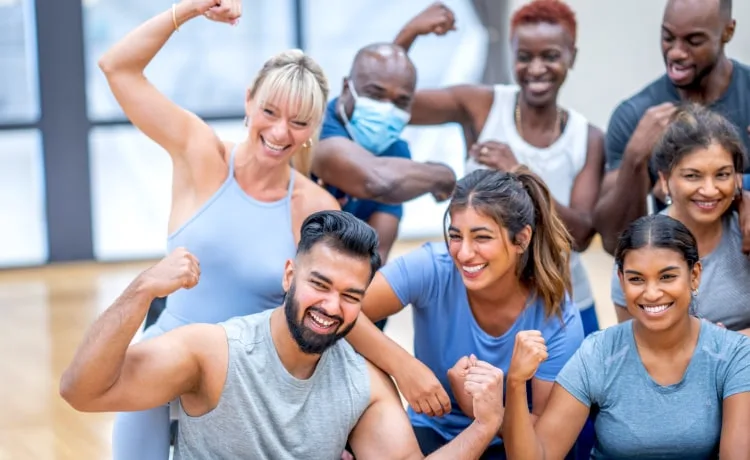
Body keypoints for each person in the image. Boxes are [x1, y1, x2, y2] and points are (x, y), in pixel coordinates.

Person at [60, 211, 507, 460]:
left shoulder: (363, 382)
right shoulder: (214, 352)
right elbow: (81, 391)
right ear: (290, 275)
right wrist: (142, 289)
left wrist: (486, 425)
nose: (332, 307)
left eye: (351, 295)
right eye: (320, 285)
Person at [98, 1, 340, 457]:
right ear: (249, 99)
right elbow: (117, 67)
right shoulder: (200, 152)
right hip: (168, 350)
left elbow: (333, 304)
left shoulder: (314, 207)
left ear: (312, 129)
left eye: (299, 121)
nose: (280, 131)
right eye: (270, 111)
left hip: (248, 377)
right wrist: (187, 10)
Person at [393, 0, 605, 337]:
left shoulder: (587, 138)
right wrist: (409, 34)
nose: (536, 68)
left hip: (565, 304)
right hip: (485, 302)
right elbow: (392, 99)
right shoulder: (483, 105)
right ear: (511, 53)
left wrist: (520, 170)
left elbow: (579, 235)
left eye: (550, 56)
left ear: (572, 57)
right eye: (524, 57)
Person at [345, 167, 585, 458]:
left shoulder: (558, 320)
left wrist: (489, 407)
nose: (464, 253)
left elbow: (536, 453)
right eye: (456, 235)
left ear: (521, 239)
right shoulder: (432, 267)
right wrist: (403, 367)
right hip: (432, 431)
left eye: (482, 237)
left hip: (510, 445)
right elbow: (343, 309)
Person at [502, 214, 750, 460]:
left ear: (694, 275)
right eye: (636, 279)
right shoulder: (598, 353)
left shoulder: (735, 354)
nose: (651, 293)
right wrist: (515, 383)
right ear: (621, 281)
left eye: (667, 277)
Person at [312, 42, 457, 331]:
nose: (386, 110)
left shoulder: (397, 153)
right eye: (376, 95)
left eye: (400, 102)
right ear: (346, 87)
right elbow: (379, 181)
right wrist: (442, 175)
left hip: (345, 294)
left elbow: (375, 254)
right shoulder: (316, 130)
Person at [592, 0, 750, 255]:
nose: (676, 52)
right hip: (675, 281)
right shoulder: (635, 115)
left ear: (727, 32)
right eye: (668, 37)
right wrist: (635, 158)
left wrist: (744, 192)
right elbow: (613, 241)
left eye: (694, 41)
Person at [610, 104, 750, 335]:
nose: (709, 189)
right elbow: (631, 346)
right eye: (692, 176)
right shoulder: (638, 248)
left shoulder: (744, 230)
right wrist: (711, 345)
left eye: (722, 174)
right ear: (665, 180)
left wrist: (730, 345)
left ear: (737, 177)